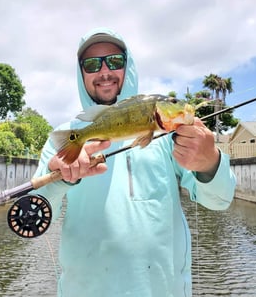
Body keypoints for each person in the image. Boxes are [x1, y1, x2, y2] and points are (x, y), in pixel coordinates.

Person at [32, 27, 236, 297]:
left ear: (129, 67)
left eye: (114, 61)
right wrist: (59, 180)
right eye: (92, 64)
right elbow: (35, 218)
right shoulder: (65, 137)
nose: (104, 72)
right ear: (81, 74)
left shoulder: (170, 135)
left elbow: (219, 200)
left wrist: (210, 162)